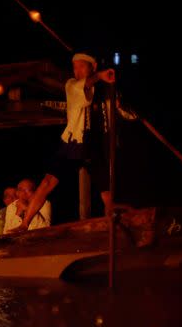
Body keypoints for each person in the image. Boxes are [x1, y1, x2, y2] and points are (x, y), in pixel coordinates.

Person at [11, 52, 116, 232]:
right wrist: (99, 76)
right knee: (47, 182)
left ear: (93, 67)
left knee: (107, 191)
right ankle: (24, 223)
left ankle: (112, 227)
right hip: (74, 143)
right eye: (74, 67)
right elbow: (85, 86)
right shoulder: (72, 85)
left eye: (82, 66)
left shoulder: (105, 90)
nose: (77, 71)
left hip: (95, 146)